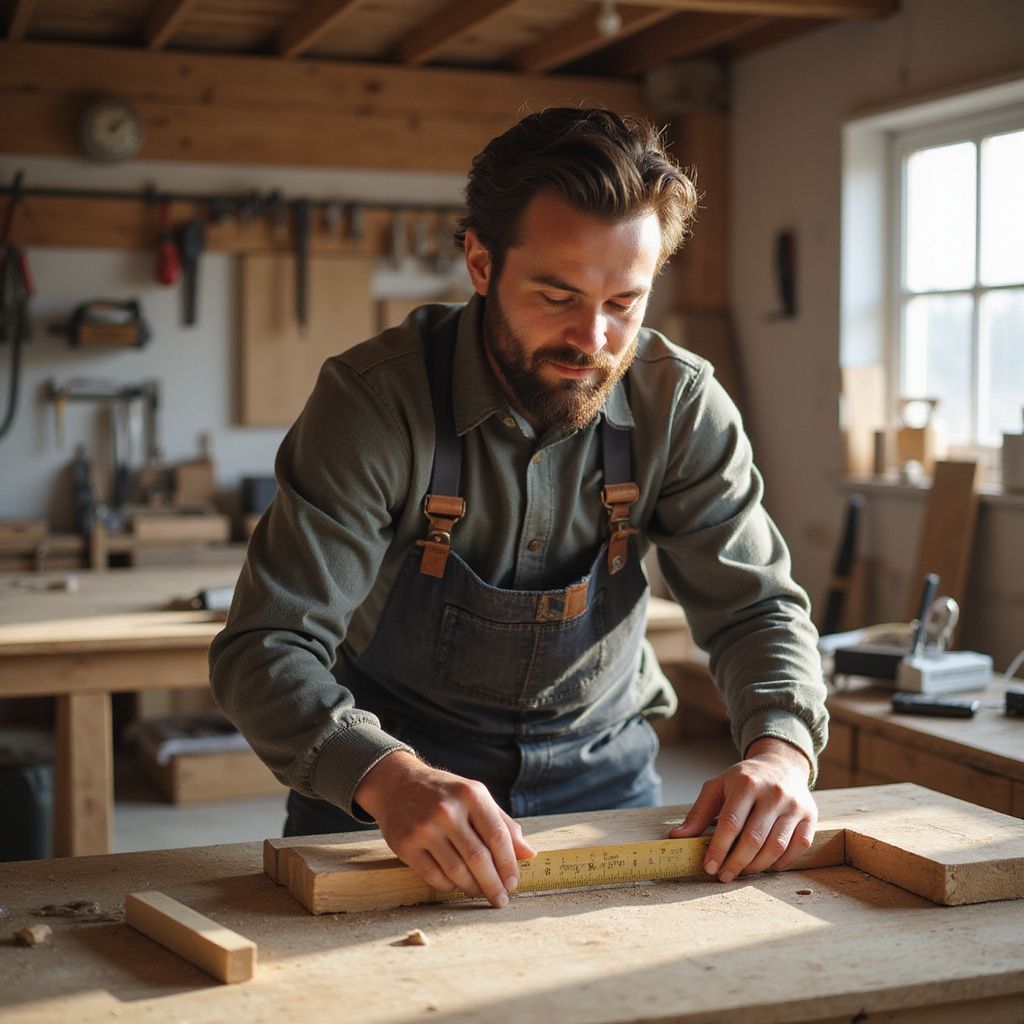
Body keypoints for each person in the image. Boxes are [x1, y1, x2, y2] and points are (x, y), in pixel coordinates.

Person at [210, 107, 828, 910]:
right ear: (479, 260)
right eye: (557, 294)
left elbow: (756, 609)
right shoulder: (374, 403)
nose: (592, 339)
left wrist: (781, 755)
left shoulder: (679, 403)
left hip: (607, 788)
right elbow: (266, 646)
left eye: (624, 303)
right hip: (392, 797)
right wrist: (388, 778)